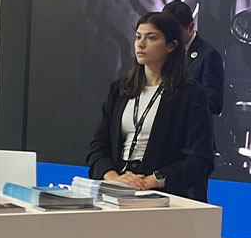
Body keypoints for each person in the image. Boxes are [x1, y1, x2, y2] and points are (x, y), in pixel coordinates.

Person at [87, 11, 214, 201]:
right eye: (138, 37)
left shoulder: (190, 94)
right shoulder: (120, 90)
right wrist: (114, 178)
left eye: (151, 38)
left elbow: (200, 158)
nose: (141, 44)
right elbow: (98, 148)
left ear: (171, 46)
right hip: (115, 190)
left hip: (161, 194)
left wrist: (152, 181)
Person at [163, 0, 224, 115]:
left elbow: (214, 104)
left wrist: (178, 106)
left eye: (175, 31)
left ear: (190, 27)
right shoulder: (163, 51)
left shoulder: (208, 56)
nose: (169, 36)